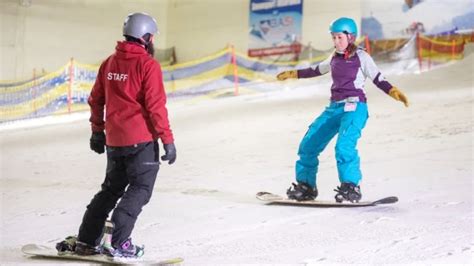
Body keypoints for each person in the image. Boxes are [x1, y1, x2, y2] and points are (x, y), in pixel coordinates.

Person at [57, 12, 176, 258]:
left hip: (114, 140)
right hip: (141, 141)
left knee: (110, 190)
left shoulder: (109, 63)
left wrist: (97, 132)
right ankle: (119, 241)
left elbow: (96, 99)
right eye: (151, 37)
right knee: (141, 188)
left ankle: (87, 240)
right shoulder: (148, 65)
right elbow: (155, 107)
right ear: (146, 37)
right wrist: (167, 140)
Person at [276, 17, 408, 203]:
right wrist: (294, 74)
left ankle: (351, 187)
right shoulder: (334, 57)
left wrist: (393, 91)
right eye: (333, 37)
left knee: (344, 146)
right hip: (335, 107)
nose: (336, 41)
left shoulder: (362, 57)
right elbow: (316, 70)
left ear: (351, 37)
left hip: (355, 107)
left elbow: (378, 78)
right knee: (308, 145)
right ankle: (306, 186)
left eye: (339, 37)